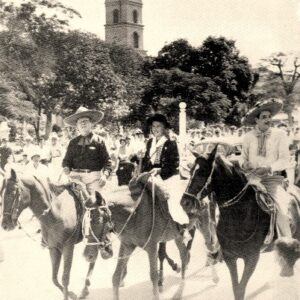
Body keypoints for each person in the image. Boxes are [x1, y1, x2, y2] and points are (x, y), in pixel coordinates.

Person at [241, 98, 292, 238]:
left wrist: (269, 167)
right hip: (249, 180)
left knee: (282, 210)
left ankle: (288, 243)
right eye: (264, 117)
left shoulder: (280, 135)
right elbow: (242, 158)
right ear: (256, 120)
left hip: (271, 181)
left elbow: (285, 159)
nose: (268, 120)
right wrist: (244, 164)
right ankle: (217, 248)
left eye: (269, 117)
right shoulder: (248, 137)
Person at [140, 113, 189, 225]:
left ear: (164, 128)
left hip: (169, 177)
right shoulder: (149, 143)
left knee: (172, 202)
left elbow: (175, 164)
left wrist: (160, 170)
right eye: (153, 126)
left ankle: (182, 227)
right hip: (153, 178)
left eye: (158, 126)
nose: (155, 129)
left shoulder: (170, 142)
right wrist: (140, 158)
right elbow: (148, 162)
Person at [62, 106, 112, 203]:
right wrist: (66, 167)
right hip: (75, 178)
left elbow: (108, 162)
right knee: (67, 203)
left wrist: (105, 175)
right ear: (77, 125)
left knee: (96, 204)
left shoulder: (99, 141)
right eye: (80, 122)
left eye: (85, 121)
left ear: (91, 123)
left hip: (93, 178)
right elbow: (66, 160)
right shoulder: (73, 142)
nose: (83, 123)